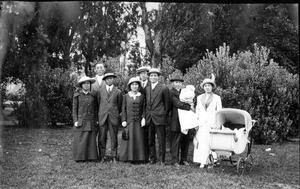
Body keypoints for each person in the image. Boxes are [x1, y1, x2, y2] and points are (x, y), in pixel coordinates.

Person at [193, 75, 222, 168]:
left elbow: (219, 112)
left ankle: (210, 161)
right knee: (200, 141)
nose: (207, 87)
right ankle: (200, 160)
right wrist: (196, 122)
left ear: (212, 87)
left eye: (209, 86)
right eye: (205, 86)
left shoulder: (217, 98)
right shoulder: (199, 97)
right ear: (203, 87)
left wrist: (218, 124)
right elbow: (198, 110)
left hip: (211, 123)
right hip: (201, 123)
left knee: (209, 142)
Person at [145, 68, 170, 165]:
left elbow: (167, 104)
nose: (153, 77)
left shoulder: (164, 88)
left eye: (155, 75)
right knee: (150, 139)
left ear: (158, 77)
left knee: (161, 139)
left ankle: (162, 159)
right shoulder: (147, 88)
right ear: (149, 77)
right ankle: (153, 158)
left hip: (160, 117)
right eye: (151, 75)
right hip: (149, 117)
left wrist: (163, 114)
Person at [119, 77, 148, 163]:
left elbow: (144, 108)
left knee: (139, 138)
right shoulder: (125, 96)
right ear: (130, 86)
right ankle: (128, 157)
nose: (134, 86)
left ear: (138, 86)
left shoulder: (142, 96)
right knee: (128, 138)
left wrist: (143, 117)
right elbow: (123, 109)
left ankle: (140, 157)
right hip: (129, 121)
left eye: (136, 84)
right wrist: (123, 120)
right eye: (132, 84)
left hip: (139, 121)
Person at [97, 72, 123, 163]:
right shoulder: (100, 91)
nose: (109, 80)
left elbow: (119, 106)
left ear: (113, 79)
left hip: (113, 117)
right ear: (105, 80)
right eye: (107, 79)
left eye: (111, 78)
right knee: (102, 137)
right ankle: (102, 156)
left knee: (114, 137)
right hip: (103, 117)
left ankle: (114, 156)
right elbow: (97, 104)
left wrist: (115, 113)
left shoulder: (118, 92)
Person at [72, 76, 98, 162]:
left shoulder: (93, 96)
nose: (86, 85)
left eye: (88, 83)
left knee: (90, 138)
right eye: (84, 83)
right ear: (81, 85)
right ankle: (80, 157)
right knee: (81, 139)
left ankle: (91, 156)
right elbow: (74, 109)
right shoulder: (77, 96)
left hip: (90, 120)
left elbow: (95, 109)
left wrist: (96, 119)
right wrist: (75, 120)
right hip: (81, 120)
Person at [169, 75, 194, 167]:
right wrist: (190, 107)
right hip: (176, 119)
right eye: (176, 82)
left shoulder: (184, 92)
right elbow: (178, 104)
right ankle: (174, 160)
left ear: (182, 84)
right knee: (176, 140)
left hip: (186, 119)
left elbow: (191, 99)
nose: (178, 84)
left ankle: (183, 159)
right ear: (173, 83)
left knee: (185, 139)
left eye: (179, 82)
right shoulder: (171, 92)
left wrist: (191, 103)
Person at [136, 66, 150, 161]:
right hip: (138, 112)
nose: (143, 75)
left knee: (149, 134)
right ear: (139, 75)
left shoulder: (151, 84)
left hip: (149, 112)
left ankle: (149, 155)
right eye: (141, 74)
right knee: (139, 134)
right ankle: (140, 154)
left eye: (145, 73)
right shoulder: (136, 84)